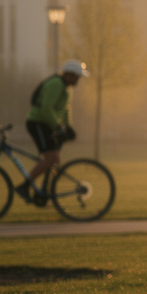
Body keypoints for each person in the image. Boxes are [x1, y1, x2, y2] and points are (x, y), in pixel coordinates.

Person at [18, 59, 89, 204]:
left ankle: (44, 192)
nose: (78, 79)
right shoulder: (56, 84)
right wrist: (57, 127)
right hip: (37, 122)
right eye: (77, 76)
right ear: (68, 75)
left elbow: (65, 110)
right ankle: (24, 187)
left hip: (46, 124)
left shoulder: (67, 88)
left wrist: (68, 127)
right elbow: (46, 109)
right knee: (51, 159)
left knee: (54, 160)